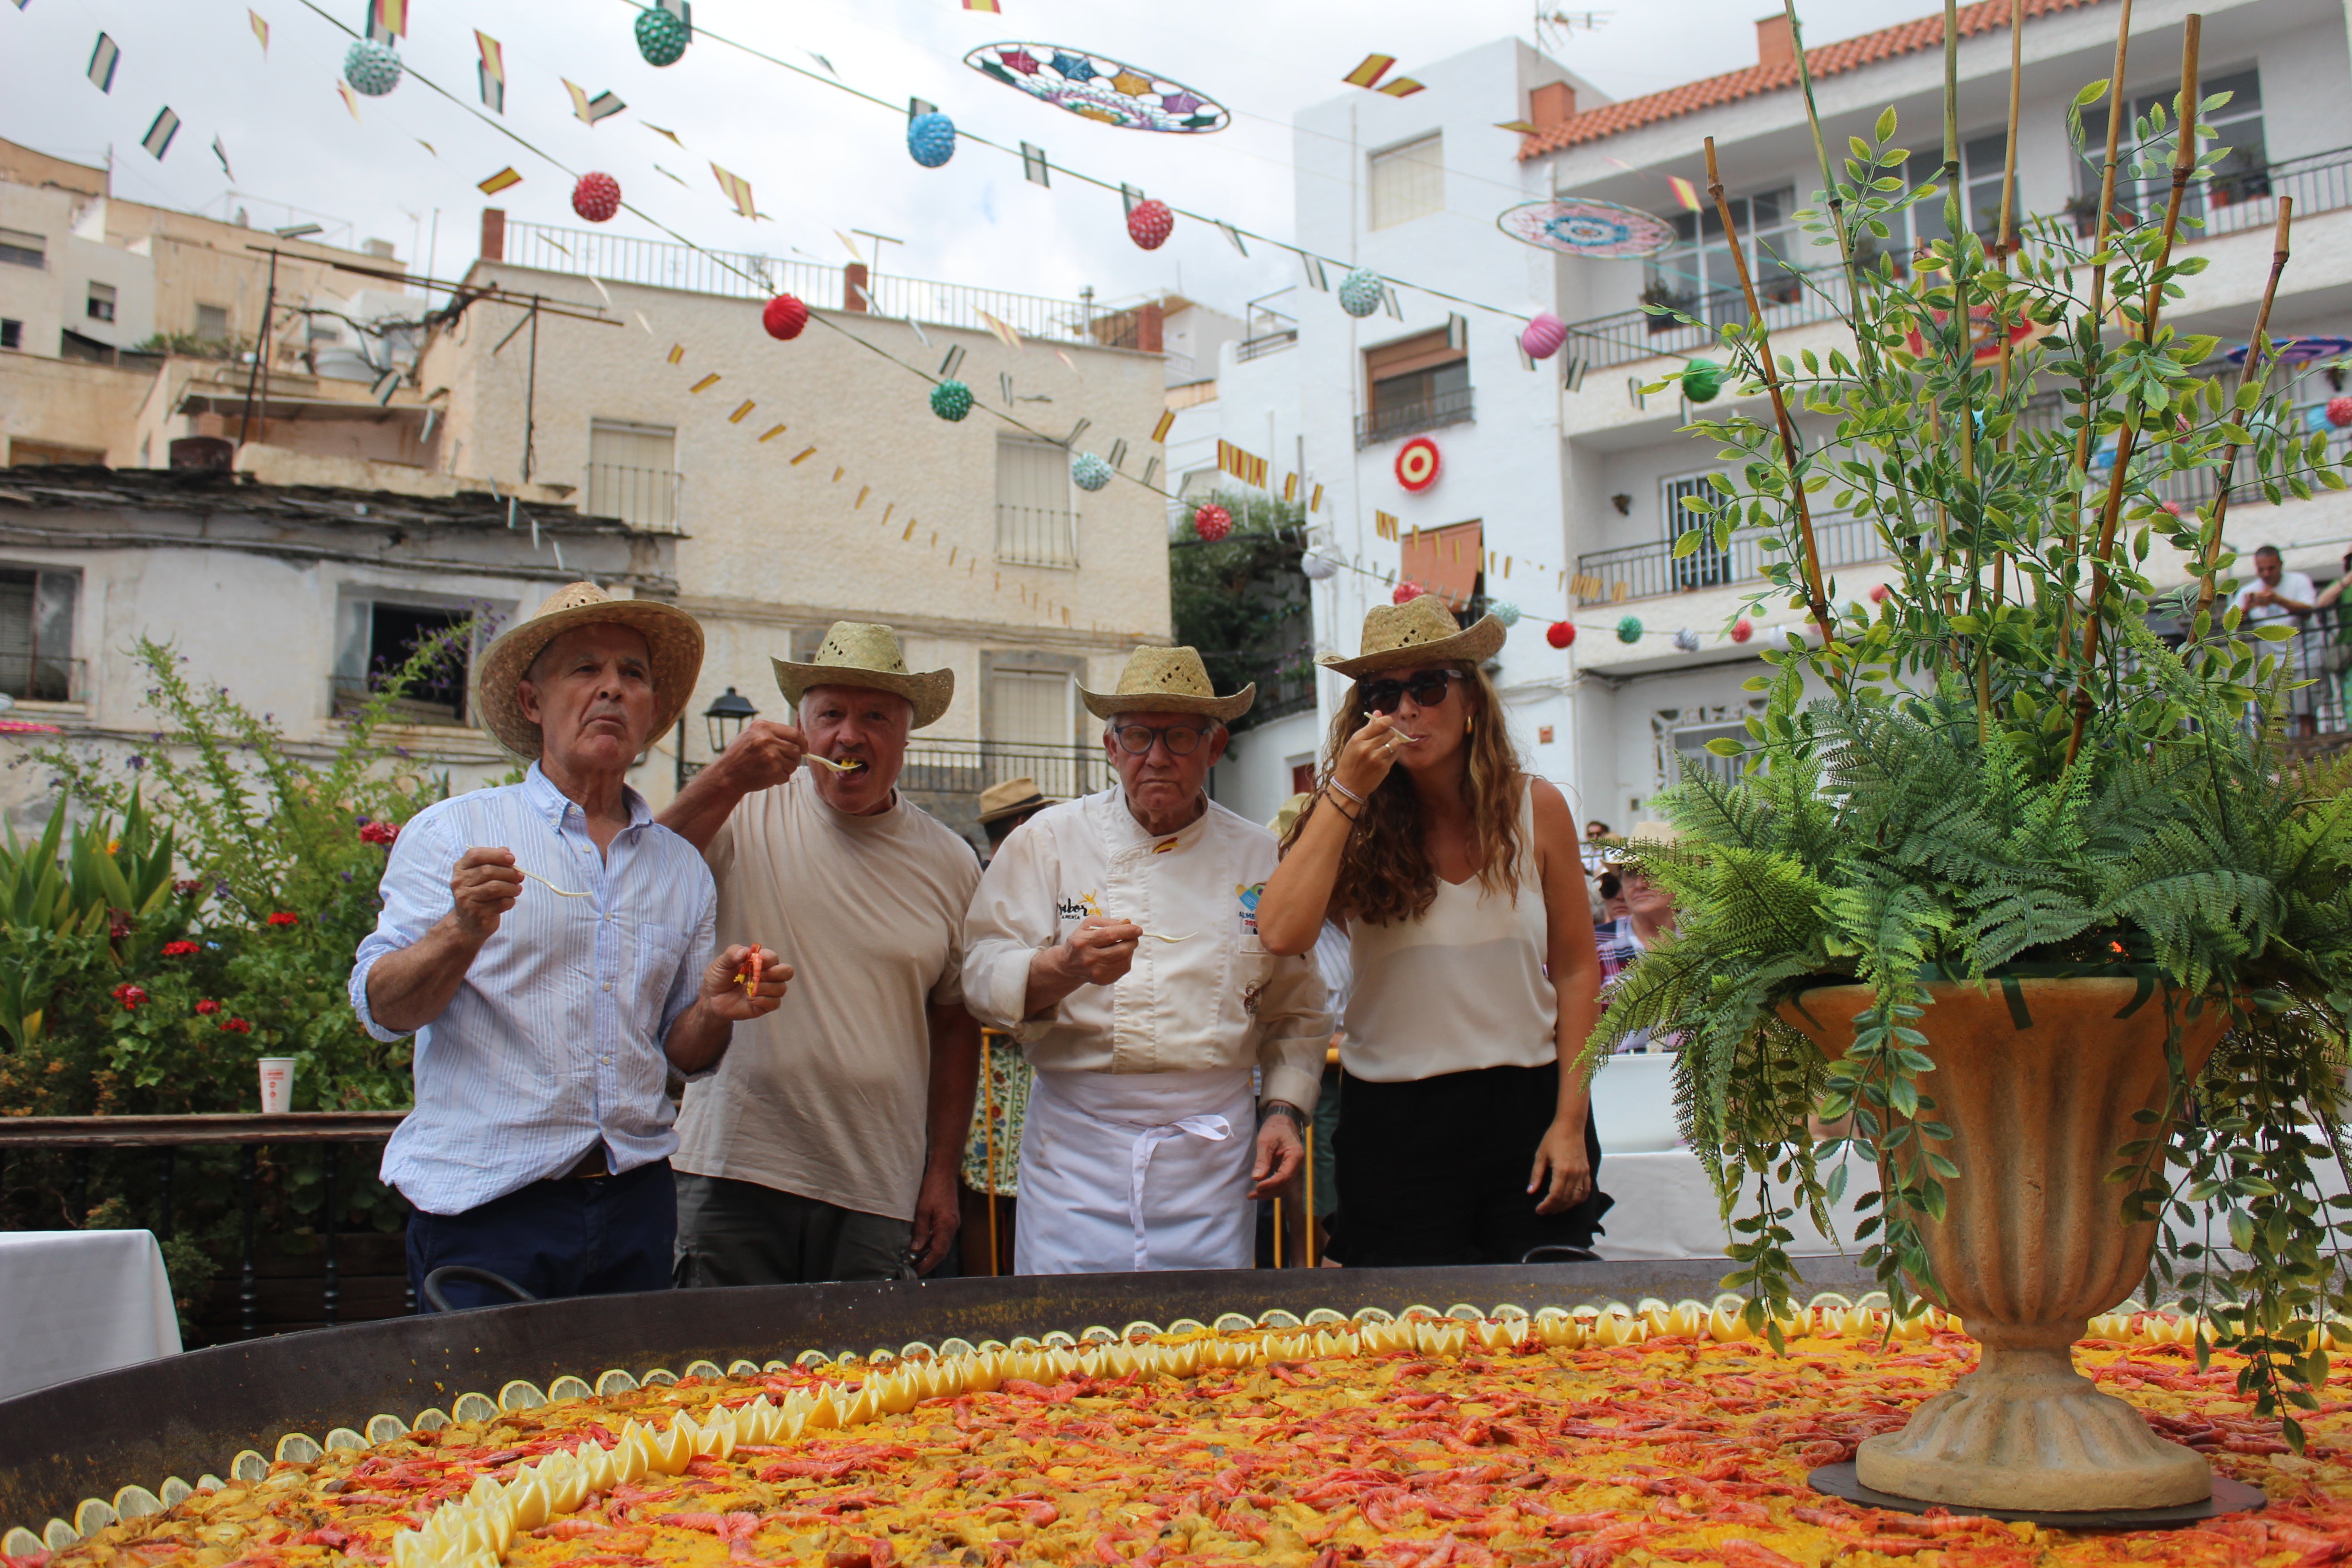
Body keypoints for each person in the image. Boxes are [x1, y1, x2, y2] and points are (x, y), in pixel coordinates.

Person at [351, 583, 788, 1311]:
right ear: (532, 702)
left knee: (630, 1425)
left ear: (651, 713)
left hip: (636, 1205)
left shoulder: (678, 868)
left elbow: (681, 1056)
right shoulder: (457, 833)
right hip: (491, 1210)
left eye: (633, 675)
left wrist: (716, 1009)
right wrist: (461, 930)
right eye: (585, 669)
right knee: (482, 1424)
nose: (612, 688)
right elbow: (385, 1009)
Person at [1256, 594, 1612, 1268]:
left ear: (1471, 700)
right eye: (1382, 693)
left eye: (1428, 686)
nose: (1407, 709)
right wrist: (1347, 791)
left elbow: (1575, 971)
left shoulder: (1536, 808)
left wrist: (1570, 1122)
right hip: (1394, 1117)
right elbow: (1279, 931)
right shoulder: (1344, 815)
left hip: (1527, 1103)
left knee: (1546, 1338)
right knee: (1410, 1345)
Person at [962, 647, 1329, 1274]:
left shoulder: (1259, 857)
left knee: (1206, 1349)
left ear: (1215, 750)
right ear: (1111, 748)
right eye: (1138, 735)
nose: (1157, 756)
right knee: (1065, 1346)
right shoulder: (1046, 843)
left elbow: (1297, 1010)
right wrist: (1062, 967)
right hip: (1077, 1154)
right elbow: (978, 974)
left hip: (1211, 1162)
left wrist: (1283, 1110)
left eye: (1180, 736)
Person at [655, 622, 981, 1286]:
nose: (850, 736)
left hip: (875, 1185)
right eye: (830, 714)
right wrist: (723, 777)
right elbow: (639, 874)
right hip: (733, 1170)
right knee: (719, 1383)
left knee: (865, 1387)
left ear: (908, 733)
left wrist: (941, 1171)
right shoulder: (744, 812)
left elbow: (954, 1024)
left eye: (876, 717)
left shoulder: (950, 861)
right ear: (802, 727)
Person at [960, 776, 1060, 1277]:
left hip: (1012, 1069)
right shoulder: (993, 881)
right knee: (990, 1191)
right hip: (999, 1068)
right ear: (1023, 825)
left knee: (1001, 1190)